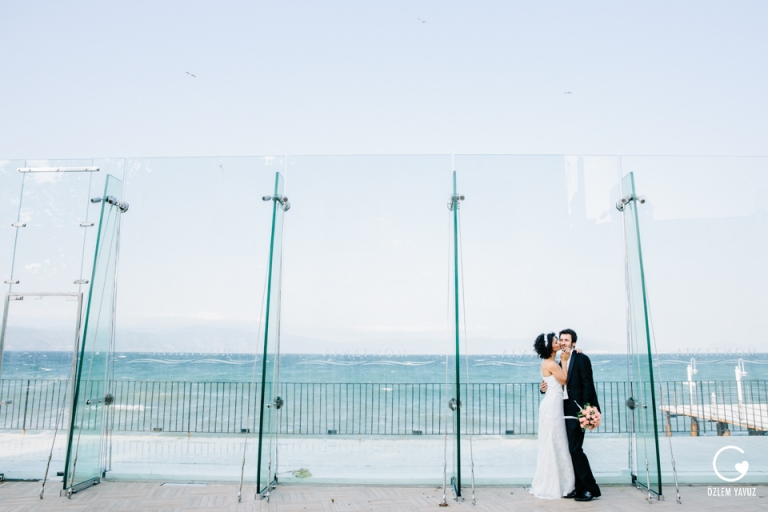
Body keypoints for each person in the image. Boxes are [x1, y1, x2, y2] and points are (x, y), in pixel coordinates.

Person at [540, 328, 601, 501]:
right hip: (561, 410)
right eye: (561, 340)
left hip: (577, 410)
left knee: (575, 449)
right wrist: (542, 388)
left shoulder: (581, 358)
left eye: (567, 340)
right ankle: (578, 486)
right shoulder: (560, 361)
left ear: (574, 343)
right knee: (569, 450)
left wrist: (589, 410)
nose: (564, 343)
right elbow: (552, 382)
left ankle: (591, 488)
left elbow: (588, 385)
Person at [528, 332, 575, 499]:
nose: (559, 342)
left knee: (554, 441)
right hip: (552, 405)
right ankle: (559, 483)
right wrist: (563, 360)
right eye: (556, 341)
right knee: (554, 440)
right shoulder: (552, 363)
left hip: (551, 403)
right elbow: (564, 380)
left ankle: (560, 482)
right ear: (550, 346)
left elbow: (550, 383)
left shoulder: (548, 362)